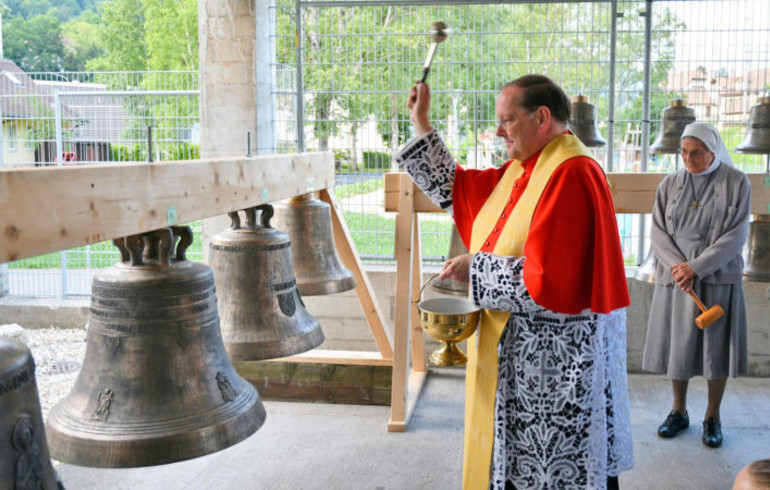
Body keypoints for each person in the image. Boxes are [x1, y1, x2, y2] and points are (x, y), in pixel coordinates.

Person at [396, 74, 634, 489]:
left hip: (556, 369)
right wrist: (422, 124)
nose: (499, 131)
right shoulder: (528, 169)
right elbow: (458, 189)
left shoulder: (571, 173)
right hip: (524, 362)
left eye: (507, 121)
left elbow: (550, 281)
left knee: (555, 469)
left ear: (542, 117)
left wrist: (478, 268)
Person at [642, 122, 751, 449]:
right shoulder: (670, 183)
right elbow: (658, 231)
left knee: (715, 350)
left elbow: (737, 234)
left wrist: (697, 267)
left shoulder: (737, 182)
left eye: (697, 153)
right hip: (678, 280)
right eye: (684, 153)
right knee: (679, 347)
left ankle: (712, 416)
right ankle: (679, 411)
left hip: (717, 277)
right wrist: (680, 268)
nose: (689, 159)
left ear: (713, 151)